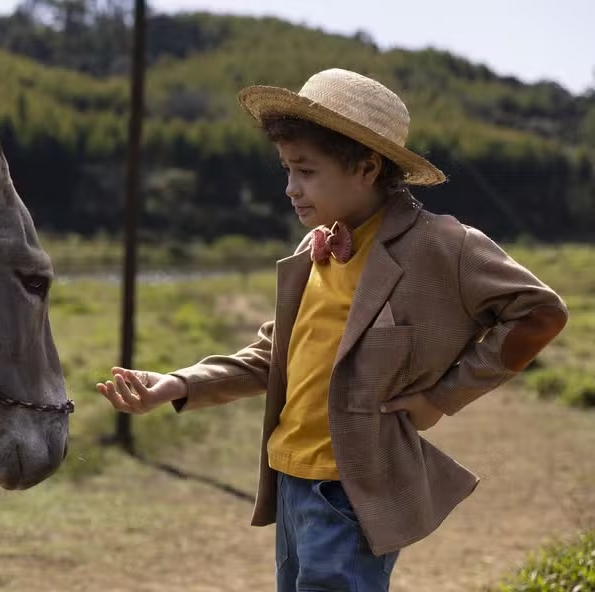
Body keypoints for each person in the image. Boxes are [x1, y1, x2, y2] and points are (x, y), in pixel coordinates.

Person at [96, 68, 568, 591]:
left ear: (366, 167)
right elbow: (274, 355)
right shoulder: (313, 248)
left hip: (352, 488)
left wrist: (442, 396)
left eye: (306, 171)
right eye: (286, 169)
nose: (291, 188)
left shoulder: (442, 246)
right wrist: (180, 383)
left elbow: (540, 313)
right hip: (290, 477)